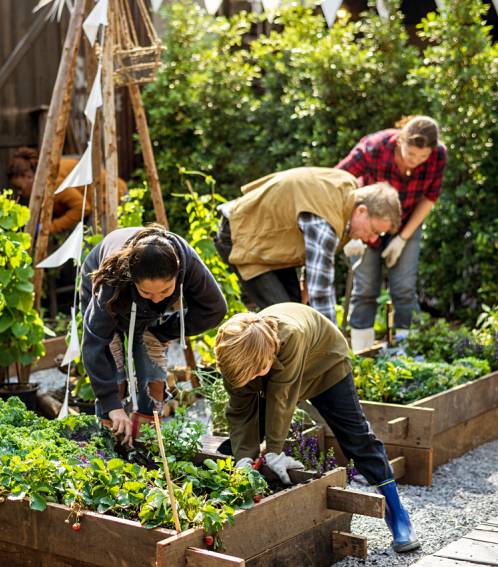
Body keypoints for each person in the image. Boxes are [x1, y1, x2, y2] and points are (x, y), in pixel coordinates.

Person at [214, 303, 420, 553]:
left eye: (257, 372)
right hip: (269, 367)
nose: (252, 378)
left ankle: (397, 514)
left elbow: (282, 398)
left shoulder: (291, 336)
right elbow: (240, 410)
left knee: (356, 438)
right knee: (239, 444)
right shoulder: (233, 352)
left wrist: (274, 451)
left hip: (325, 364)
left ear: (267, 356)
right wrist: (244, 458)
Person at [81, 225, 227, 446]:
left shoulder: (187, 261)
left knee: (151, 354)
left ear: (178, 274)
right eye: (147, 292)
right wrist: (113, 406)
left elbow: (214, 309)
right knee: (114, 361)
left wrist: (163, 331)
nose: (157, 299)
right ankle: (109, 440)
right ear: (132, 278)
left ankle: (146, 439)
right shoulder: (112, 278)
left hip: (146, 313)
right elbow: (94, 344)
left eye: (165, 291)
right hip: (107, 293)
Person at [213, 167, 401, 325]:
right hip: (241, 234)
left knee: (296, 311)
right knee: (286, 320)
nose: (371, 239)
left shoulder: (347, 191)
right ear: (362, 211)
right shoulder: (326, 221)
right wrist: (334, 349)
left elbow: (313, 262)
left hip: (270, 244)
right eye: (374, 231)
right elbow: (321, 292)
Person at [337, 116, 447, 351]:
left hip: (407, 221)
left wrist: (402, 239)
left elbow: (430, 198)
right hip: (369, 220)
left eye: (422, 157)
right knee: (365, 289)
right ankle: (361, 353)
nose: (415, 162)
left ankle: (408, 352)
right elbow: (338, 180)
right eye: (410, 154)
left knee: (404, 289)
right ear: (400, 141)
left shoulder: (439, 155)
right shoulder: (374, 147)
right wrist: (346, 227)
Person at [8, 147, 127, 234]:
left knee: (94, 249)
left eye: (19, 188)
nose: (19, 193)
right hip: (101, 200)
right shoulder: (43, 182)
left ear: (28, 177)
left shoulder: (51, 183)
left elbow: (83, 208)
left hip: (111, 196)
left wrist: (50, 228)